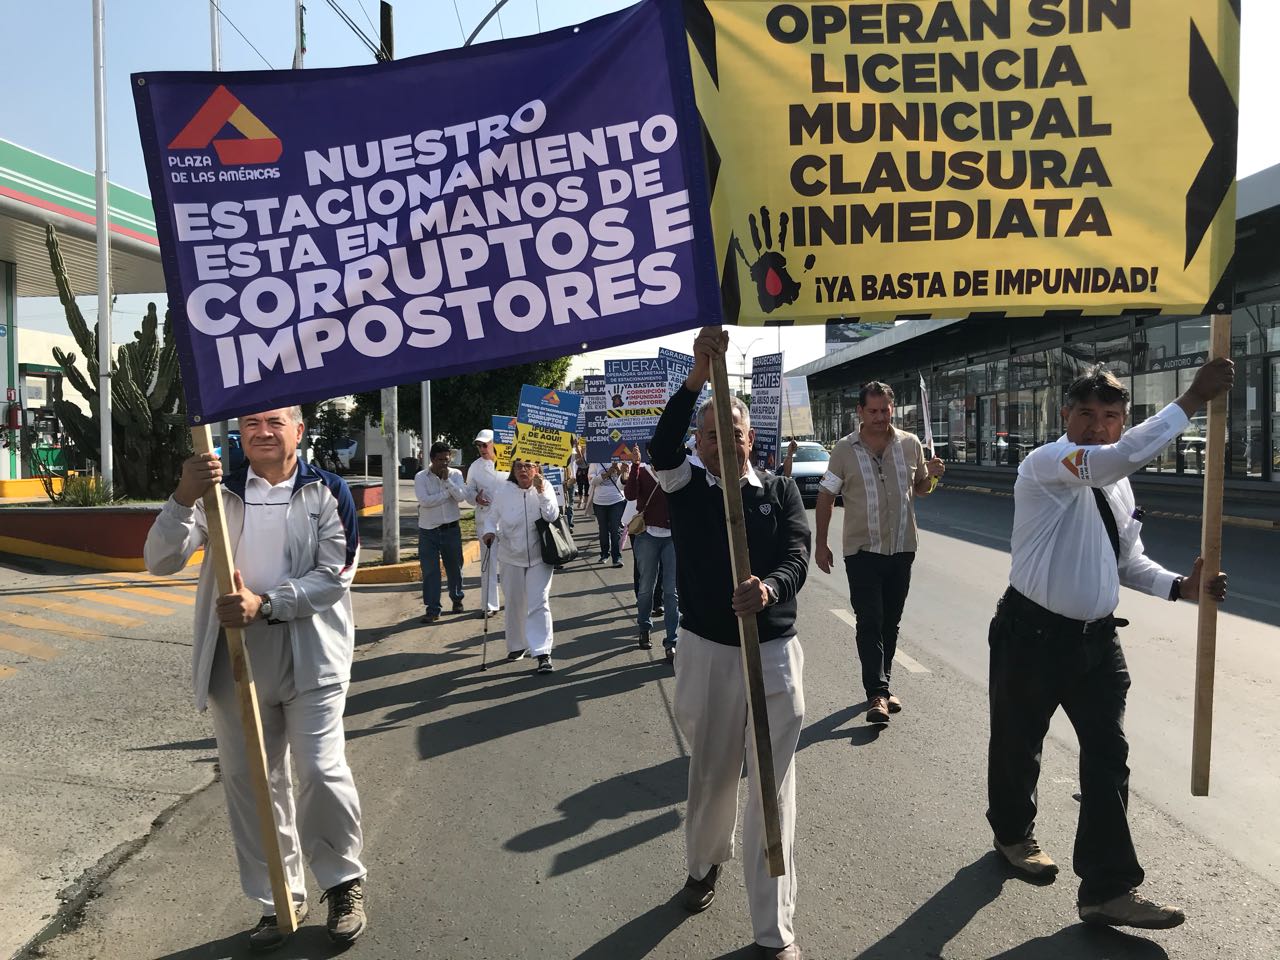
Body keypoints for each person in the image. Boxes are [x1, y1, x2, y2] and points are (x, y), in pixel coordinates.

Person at [987, 361, 1232, 930]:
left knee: (1108, 758)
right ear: (1065, 417)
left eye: (1111, 417)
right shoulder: (1050, 463)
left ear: (1124, 421)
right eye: (1086, 415)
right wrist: (1192, 397)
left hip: (1097, 644)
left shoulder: (1117, 483)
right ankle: (1012, 833)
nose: (1098, 427)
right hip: (1032, 636)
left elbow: (1127, 561)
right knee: (1019, 745)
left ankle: (1106, 888)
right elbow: (1112, 459)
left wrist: (1180, 586)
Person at [143, 407, 367, 951]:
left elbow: (334, 576)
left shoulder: (328, 492)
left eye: (273, 422)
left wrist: (265, 604)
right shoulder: (216, 491)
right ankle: (277, 897)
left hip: (311, 651)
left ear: (299, 430)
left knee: (319, 768)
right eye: (250, 425)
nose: (261, 432)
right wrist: (180, 496)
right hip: (235, 654)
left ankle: (342, 882)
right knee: (251, 783)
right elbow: (159, 561)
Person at [652, 326, 810, 960]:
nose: (721, 443)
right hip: (707, 651)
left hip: (772, 654)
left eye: (732, 433)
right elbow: (661, 445)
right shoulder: (685, 487)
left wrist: (769, 589)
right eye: (710, 434)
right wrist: (697, 376)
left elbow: (798, 554)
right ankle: (704, 864)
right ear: (700, 442)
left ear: (750, 439)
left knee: (773, 790)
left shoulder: (778, 490)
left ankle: (775, 931)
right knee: (714, 773)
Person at [814, 382, 945, 723]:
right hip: (862, 551)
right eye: (872, 411)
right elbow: (827, 496)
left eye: (885, 410)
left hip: (902, 549)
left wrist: (932, 477)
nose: (879, 417)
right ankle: (877, 693)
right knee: (870, 620)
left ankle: (882, 687)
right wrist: (821, 543)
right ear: (860, 412)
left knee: (890, 622)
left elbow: (920, 491)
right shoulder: (844, 449)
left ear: (892, 409)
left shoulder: (909, 444)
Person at [481, 459, 561, 673]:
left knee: (539, 601)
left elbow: (552, 515)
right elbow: (491, 518)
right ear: (512, 471)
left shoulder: (545, 487)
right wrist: (489, 531)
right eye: (518, 466)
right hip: (510, 556)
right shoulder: (503, 491)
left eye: (528, 466)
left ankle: (543, 652)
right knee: (515, 602)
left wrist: (542, 491)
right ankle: (517, 646)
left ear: (537, 468)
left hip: (539, 556)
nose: (523, 470)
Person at [625, 443, 678, 662]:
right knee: (646, 586)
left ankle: (671, 641)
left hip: (672, 538)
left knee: (671, 592)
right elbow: (629, 495)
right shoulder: (643, 471)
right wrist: (635, 465)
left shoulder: (676, 473)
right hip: (647, 536)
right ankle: (644, 627)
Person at [415, 441, 467, 623]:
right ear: (431, 459)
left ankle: (457, 599)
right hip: (428, 531)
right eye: (440, 460)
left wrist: (448, 482)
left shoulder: (456, 474)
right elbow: (425, 501)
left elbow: (461, 496)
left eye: (447, 459)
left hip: (450, 529)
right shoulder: (421, 477)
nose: (444, 463)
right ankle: (433, 608)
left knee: (454, 567)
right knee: (430, 571)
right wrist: (447, 495)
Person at [465, 429, 507, 618]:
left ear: (494, 444)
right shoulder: (475, 467)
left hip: (508, 521)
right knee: (488, 564)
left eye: (485, 444)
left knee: (510, 563)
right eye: (479, 445)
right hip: (485, 521)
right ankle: (489, 604)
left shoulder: (507, 463)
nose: (482, 448)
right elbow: (468, 492)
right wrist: (475, 498)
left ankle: (512, 599)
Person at [589, 459, 628, 567]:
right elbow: (592, 481)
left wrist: (618, 469)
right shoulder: (595, 461)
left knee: (616, 530)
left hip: (617, 500)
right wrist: (607, 474)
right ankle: (604, 554)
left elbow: (625, 481)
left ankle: (617, 557)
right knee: (603, 530)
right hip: (600, 502)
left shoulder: (621, 458)